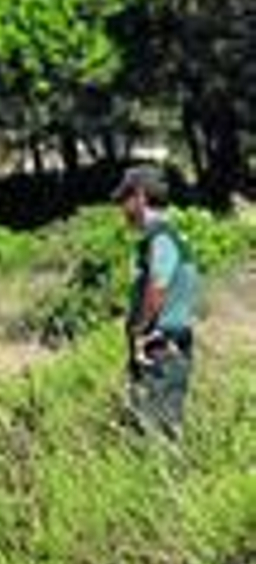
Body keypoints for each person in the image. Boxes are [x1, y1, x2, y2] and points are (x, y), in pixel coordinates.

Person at [114, 165, 199, 437]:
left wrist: (140, 329)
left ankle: (163, 476)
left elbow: (157, 286)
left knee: (154, 430)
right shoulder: (172, 235)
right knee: (166, 425)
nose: (122, 209)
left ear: (139, 196)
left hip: (159, 345)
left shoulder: (160, 237)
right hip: (169, 342)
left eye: (124, 200)